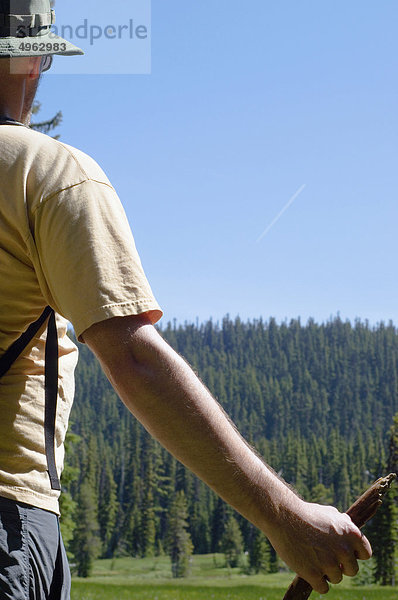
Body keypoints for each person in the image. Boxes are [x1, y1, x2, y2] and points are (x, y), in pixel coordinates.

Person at [0, 1, 371, 598]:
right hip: (9, 524)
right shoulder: (43, 171)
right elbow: (134, 359)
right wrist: (284, 516)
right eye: (40, 54)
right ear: (27, 60)